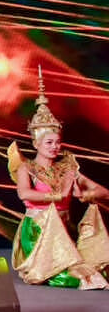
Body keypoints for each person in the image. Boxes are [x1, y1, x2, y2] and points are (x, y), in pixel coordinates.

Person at [7, 68, 109, 289]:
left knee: (99, 267)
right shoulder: (27, 168)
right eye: (49, 142)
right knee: (68, 277)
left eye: (57, 142)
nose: (55, 147)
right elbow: (24, 194)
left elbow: (103, 191)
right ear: (36, 143)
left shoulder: (67, 168)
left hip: (64, 232)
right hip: (38, 233)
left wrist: (85, 194)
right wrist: (59, 195)